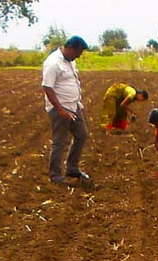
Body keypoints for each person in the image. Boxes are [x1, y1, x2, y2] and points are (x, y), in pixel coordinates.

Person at [42, 35, 90, 186]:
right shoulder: (53, 63)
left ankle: (72, 168)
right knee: (59, 141)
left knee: (82, 134)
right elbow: (47, 87)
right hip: (60, 109)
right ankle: (55, 175)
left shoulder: (70, 61)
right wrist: (60, 109)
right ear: (70, 48)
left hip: (74, 106)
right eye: (78, 53)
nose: (78, 56)